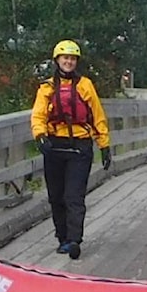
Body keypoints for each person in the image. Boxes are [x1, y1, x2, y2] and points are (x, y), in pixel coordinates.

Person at [31, 39, 111, 260]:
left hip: (80, 146)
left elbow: (97, 115)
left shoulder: (85, 85)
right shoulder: (47, 87)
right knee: (56, 196)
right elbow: (38, 114)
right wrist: (40, 135)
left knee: (73, 196)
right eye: (65, 58)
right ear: (57, 60)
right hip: (55, 146)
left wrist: (104, 145)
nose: (69, 61)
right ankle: (63, 238)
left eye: (72, 58)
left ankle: (74, 240)